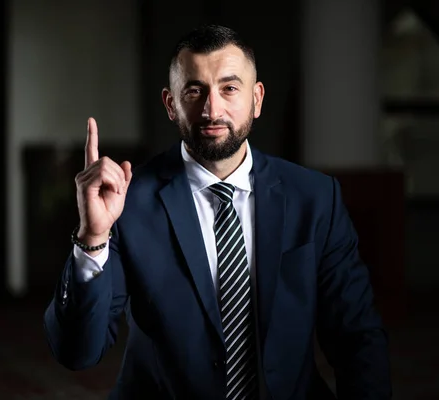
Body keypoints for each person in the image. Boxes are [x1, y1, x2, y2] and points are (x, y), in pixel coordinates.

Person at [43, 24, 392, 400]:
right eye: (194, 91)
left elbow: (356, 338)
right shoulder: (128, 201)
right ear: (171, 104)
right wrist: (92, 239)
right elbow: (77, 353)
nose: (212, 109)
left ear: (256, 99)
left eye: (229, 88)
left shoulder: (315, 197)